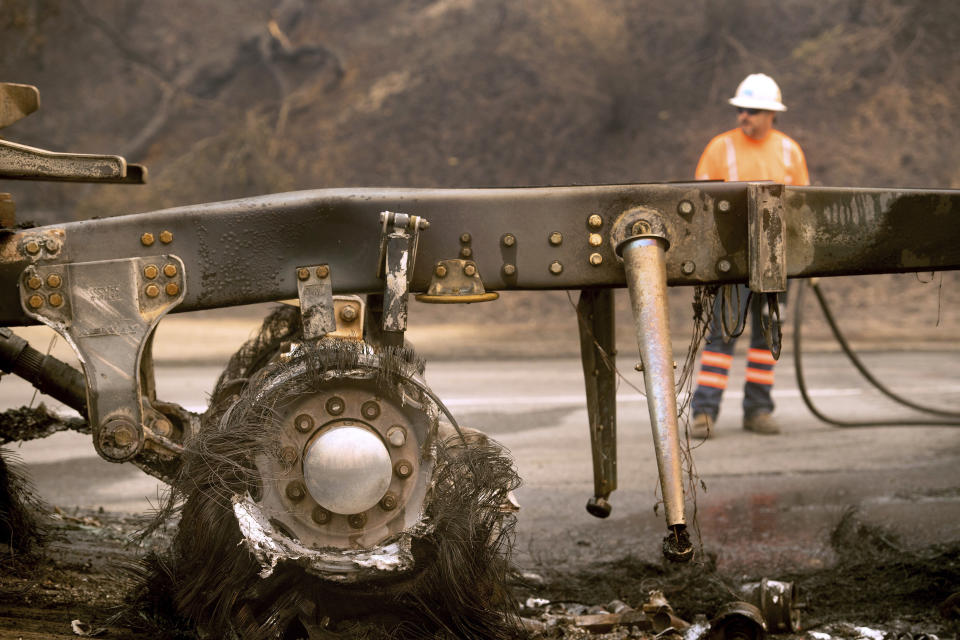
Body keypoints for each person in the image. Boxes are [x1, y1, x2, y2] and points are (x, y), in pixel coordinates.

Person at [690, 73, 810, 438]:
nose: (744, 116)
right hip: (732, 262)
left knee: (767, 336)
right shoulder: (720, 148)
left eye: (752, 110)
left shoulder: (789, 151)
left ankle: (758, 410)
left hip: (777, 261)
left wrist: (808, 261)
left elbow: (802, 210)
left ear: (771, 114)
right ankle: (704, 413)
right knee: (721, 336)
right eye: (741, 109)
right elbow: (699, 205)